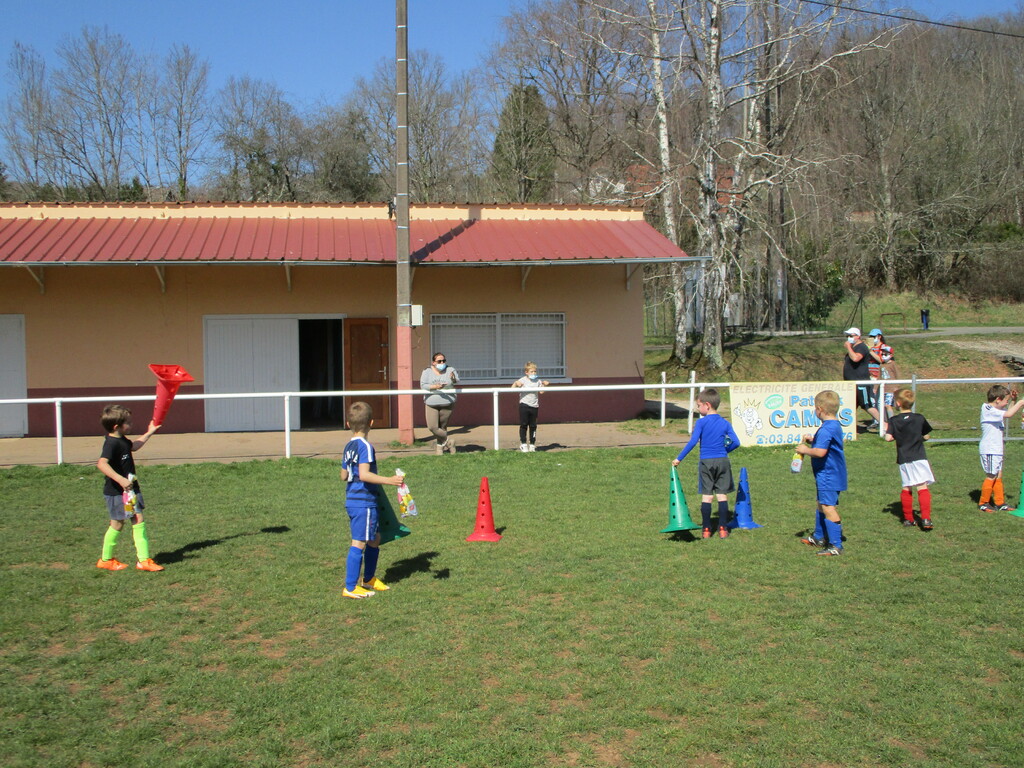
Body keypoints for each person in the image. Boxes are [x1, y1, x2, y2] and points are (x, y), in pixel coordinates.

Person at [340, 401, 404, 599]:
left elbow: (343, 475)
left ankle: (368, 579)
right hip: (363, 502)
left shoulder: (348, 446)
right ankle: (350, 587)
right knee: (358, 542)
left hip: (354, 499)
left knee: (374, 539)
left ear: (348, 424)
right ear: (372, 423)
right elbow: (364, 474)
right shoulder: (365, 447)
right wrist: (389, 480)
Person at [95, 404, 164, 572]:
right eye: (128, 422)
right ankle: (106, 560)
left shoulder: (122, 440)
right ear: (116, 426)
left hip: (130, 491)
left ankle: (143, 560)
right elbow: (102, 464)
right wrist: (120, 480)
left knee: (137, 519)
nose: (131, 424)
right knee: (117, 524)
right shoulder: (111, 444)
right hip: (117, 492)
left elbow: (134, 446)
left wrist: (150, 432)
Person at [671, 388, 741, 539]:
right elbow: (736, 442)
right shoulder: (725, 423)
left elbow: (692, 442)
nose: (698, 408)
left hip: (706, 462)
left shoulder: (701, 423)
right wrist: (724, 451)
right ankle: (723, 529)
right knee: (722, 495)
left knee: (707, 496)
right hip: (723, 461)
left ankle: (707, 529)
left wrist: (679, 458)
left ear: (707, 405)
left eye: (699, 405)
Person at [795, 390, 848, 556]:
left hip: (828, 474)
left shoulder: (826, 429)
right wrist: (814, 440)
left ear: (820, 409)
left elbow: (820, 452)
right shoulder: (834, 425)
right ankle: (819, 537)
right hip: (832, 473)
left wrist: (805, 449)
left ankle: (836, 546)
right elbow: (828, 444)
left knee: (828, 507)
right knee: (821, 503)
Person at [884, 389, 935, 529]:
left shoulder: (894, 420)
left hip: (903, 457)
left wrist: (894, 435)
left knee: (907, 487)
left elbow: (888, 438)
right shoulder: (919, 418)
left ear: (898, 403)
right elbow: (926, 435)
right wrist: (922, 438)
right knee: (922, 486)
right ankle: (926, 519)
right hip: (919, 456)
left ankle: (908, 519)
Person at [978, 384, 1024, 513]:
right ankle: (983, 503)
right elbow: (1008, 414)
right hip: (990, 449)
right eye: (1006, 401)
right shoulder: (987, 409)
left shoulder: (995, 410)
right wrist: (1020, 403)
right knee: (991, 475)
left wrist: (1014, 400)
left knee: (998, 475)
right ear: (998, 399)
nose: (1006, 403)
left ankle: (1000, 502)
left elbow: (1006, 412)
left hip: (997, 449)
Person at [420, 352, 459, 454]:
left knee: (442, 427)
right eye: (439, 361)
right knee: (433, 427)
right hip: (431, 403)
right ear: (433, 362)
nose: (442, 363)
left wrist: (453, 378)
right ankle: (449, 442)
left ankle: (440, 449)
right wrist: (435, 387)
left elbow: (456, 381)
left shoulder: (450, 369)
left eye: (443, 361)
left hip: (447, 402)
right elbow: (423, 385)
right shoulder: (427, 371)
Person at [843, 327, 881, 430]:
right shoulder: (854, 347)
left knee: (867, 405)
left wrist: (848, 347)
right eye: (847, 336)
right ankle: (848, 427)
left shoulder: (862, 347)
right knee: (851, 405)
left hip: (861, 383)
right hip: (851, 383)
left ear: (858, 336)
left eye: (851, 336)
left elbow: (856, 358)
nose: (848, 338)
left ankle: (884, 424)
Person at [511, 361, 550, 452]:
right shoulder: (523, 380)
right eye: (531, 372)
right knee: (524, 424)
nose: (533, 373)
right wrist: (516, 383)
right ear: (526, 372)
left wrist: (544, 385)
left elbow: (541, 392)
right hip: (524, 405)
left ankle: (532, 444)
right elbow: (512, 389)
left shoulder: (538, 381)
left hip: (534, 406)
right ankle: (523, 444)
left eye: (535, 371)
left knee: (533, 426)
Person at [867, 329, 896, 419]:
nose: (872, 338)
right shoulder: (870, 347)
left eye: (874, 337)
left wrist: (870, 352)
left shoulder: (884, 347)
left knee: (880, 401)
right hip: (870, 375)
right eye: (870, 337)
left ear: (879, 336)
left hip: (879, 376)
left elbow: (882, 360)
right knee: (872, 400)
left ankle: (884, 420)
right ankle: (876, 420)